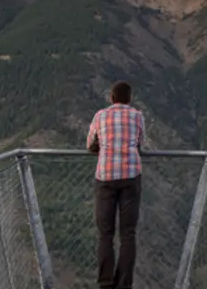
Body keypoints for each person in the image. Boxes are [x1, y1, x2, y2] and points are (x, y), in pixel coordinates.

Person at [86, 80, 145, 289]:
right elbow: (139, 143)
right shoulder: (137, 116)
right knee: (128, 233)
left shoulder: (100, 116)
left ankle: (105, 283)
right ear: (129, 99)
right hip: (130, 176)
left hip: (106, 177)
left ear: (111, 98)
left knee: (105, 234)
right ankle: (124, 284)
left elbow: (90, 143)